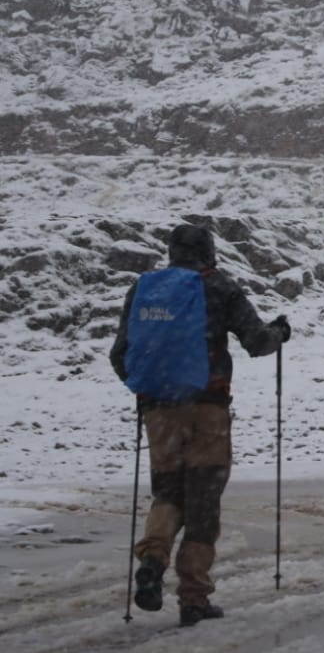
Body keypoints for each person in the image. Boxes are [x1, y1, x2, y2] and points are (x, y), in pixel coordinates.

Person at [110, 223, 290, 626]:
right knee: (203, 503)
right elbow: (257, 342)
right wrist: (280, 333)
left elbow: (120, 355)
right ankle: (194, 598)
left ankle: (153, 561)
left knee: (168, 494)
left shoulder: (143, 290)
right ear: (209, 250)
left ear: (171, 251)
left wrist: (150, 391)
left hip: (158, 411)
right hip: (207, 409)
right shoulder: (218, 286)